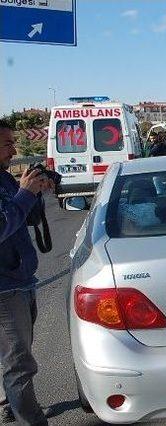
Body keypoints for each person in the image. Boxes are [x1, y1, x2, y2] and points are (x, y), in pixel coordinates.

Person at [0, 120, 53, 425]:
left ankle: (11, 402)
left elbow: (26, 219)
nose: (14, 150)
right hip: (5, 290)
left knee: (14, 356)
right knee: (20, 364)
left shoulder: (6, 179)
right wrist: (23, 195)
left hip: (20, 281)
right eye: (7, 144)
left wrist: (36, 191)